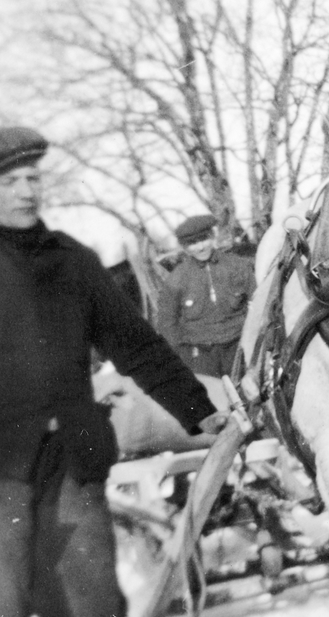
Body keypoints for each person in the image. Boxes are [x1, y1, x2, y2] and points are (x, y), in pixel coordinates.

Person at [0, 126, 226, 617]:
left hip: (71, 459)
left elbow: (134, 343)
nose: (25, 190)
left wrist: (199, 411)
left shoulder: (72, 262)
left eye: (31, 177)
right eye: (8, 181)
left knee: (93, 600)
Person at [158, 213, 257, 378]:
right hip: (201, 355)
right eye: (192, 243)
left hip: (238, 346)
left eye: (203, 239)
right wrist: (183, 358)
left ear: (212, 237)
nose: (200, 247)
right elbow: (167, 324)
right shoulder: (177, 279)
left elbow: (257, 302)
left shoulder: (237, 266)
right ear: (184, 247)